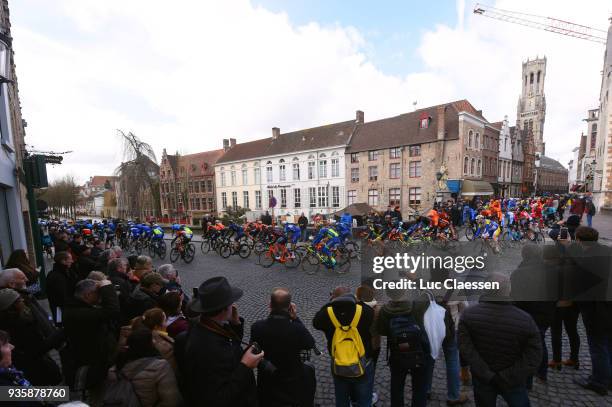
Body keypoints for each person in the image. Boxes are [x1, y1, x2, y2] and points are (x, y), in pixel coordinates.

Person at [175, 276, 263, 406]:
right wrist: (245, 366)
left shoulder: (206, 324)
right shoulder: (207, 348)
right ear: (224, 309)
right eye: (230, 303)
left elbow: (231, 345)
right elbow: (219, 398)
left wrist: (236, 324)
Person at [458, 273, 542, 406]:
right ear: (508, 290)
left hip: (483, 378)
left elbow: (465, 349)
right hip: (513, 379)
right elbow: (534, 355)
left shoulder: (468, 315)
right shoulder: (525, 319)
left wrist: (486, 373)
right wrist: (510, 376)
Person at [250, 287, 316, 407]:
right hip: (291, 383)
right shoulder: (297, 329)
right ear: (290, 307)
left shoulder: (257, 327)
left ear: (270, 305)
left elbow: (253, 351)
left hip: (266, 381)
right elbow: (310, 343)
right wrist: (296, 319)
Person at [566, 226, 612, 396]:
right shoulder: (607, 251)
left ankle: (599, 381)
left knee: (598, 345)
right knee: (609, 343)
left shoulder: (584, 260)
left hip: (596, 309)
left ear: (578, 240)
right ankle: (608, 379)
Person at [313, 286, 374, 407]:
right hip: (363, 361)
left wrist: (330, 304)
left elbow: (316, 323)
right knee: (365, 400)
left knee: (341, 400)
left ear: (333, 298)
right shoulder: (365, 311)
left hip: (338, 363)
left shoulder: (327, 313)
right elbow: (371, 313)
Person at [63, 278, 120, 400]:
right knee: (97, 395)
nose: (100, 297)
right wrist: (107, 287)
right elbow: (112, 311)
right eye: (98, 293)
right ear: (88, 295)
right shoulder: (79, 313)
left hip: (93, 358)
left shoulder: (75, 308)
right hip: (92, 361)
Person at [0, 288, 63, 385]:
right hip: (34, 370)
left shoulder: (21, 319)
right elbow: (35, 350)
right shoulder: (19, 325)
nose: (22, 301)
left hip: (34, 368)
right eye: (19, 300)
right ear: (12, 306)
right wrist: (59, 335)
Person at [106, 328, 182, 407]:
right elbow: (171, 401)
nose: (155, 341)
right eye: (152, 339)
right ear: (149, 345)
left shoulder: (114, 370)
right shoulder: (160, 367)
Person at [355, 285, 382, 405]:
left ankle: (355, 397)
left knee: (356, 371)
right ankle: (368, 397)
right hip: (374, 346)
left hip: (357, 346)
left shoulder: (355, 309)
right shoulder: (377, 310)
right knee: (370, 372)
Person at [46, 251, 79, 324]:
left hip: (66, 308)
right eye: (70, 259)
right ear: (63, 261)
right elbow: (61, 297)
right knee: (62, 325)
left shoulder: (67, 271)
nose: (72, 261)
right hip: (61, 309)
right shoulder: (57, 277)